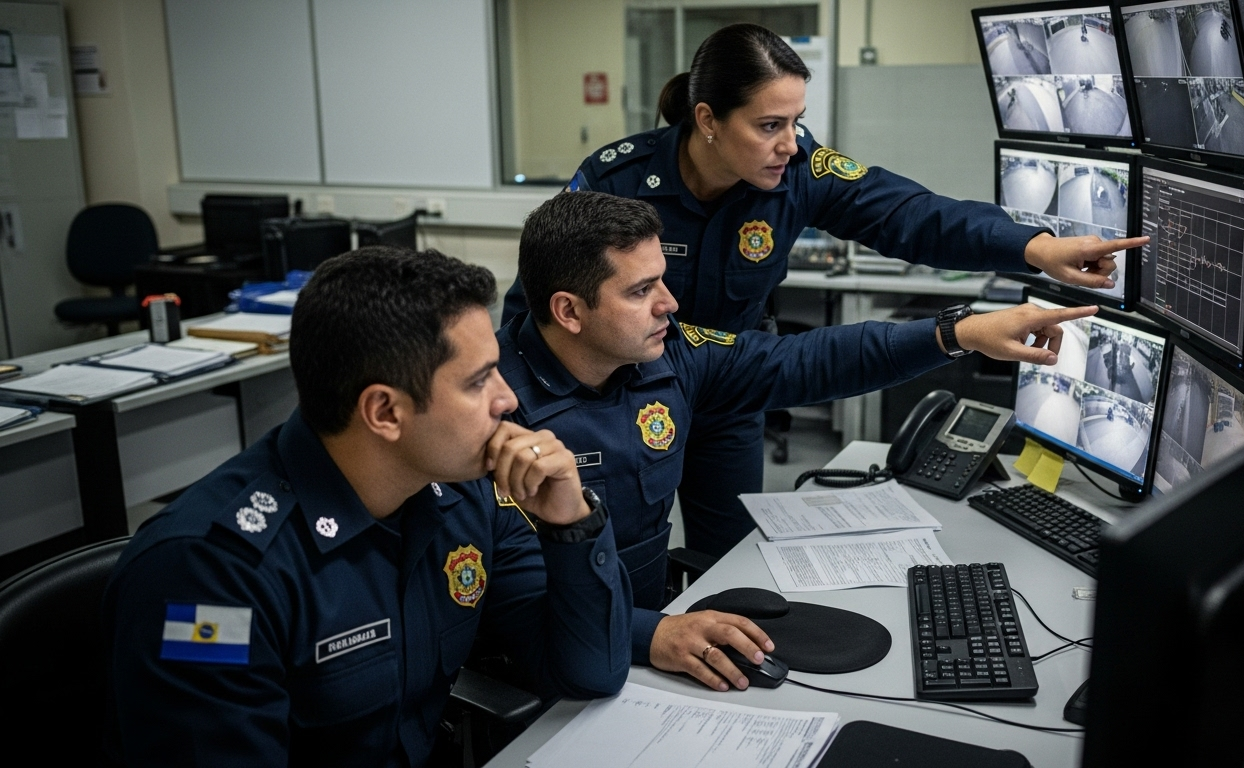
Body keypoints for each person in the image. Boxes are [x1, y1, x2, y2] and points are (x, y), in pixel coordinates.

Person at [101, 248, 775, 767]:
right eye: (480, 381)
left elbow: (588, 668)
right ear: (385, 412)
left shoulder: (459, 493)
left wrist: (571, 524)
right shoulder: (210, 576)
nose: (508, 401)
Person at [500, 23, 1147, 561]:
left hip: (731, 380)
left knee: (729, 559)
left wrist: (1031, 247)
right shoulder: (620, 179)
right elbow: (539, 304)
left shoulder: (797, 171)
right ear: (708, 121)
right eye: (769, 125)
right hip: (607, 398)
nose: (791, 142)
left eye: (797, 121)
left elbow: (911, 215)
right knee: (602, 560)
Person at [496, 191, 1096, 619]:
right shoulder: (491, 411)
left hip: (651, 635)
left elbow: (805, 360)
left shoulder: (666, 357)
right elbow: (516, 607)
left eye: (662, 280)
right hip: (563, 666)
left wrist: (958, 331)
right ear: (569, 311)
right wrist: (654, 637)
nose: (670, 304)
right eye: (640, 290)